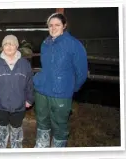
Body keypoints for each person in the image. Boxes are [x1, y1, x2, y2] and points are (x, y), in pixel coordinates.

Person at [33, 13, 88, 148]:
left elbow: (81, 72)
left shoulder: (74, 44)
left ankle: (57, 152)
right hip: (42, 90)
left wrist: (71, 88)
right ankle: (42, 145)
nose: (53, 28)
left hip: (60, 92)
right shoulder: (45, 43)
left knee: (60, 124)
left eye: (57, 25)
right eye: (50, 25)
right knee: (42, 120)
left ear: (64, 26)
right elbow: (45, 66)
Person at [0, 35, 34, 148]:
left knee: (16, 128)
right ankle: (1, 147)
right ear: (3, 47)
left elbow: (30, 83)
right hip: (1, 104)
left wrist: (30, 99)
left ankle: (16, 147)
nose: (9, 46)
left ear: (17, 46)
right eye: (6, 44)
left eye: (12, 44)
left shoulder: (24, 64)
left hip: (19, 105)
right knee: (2, 127)